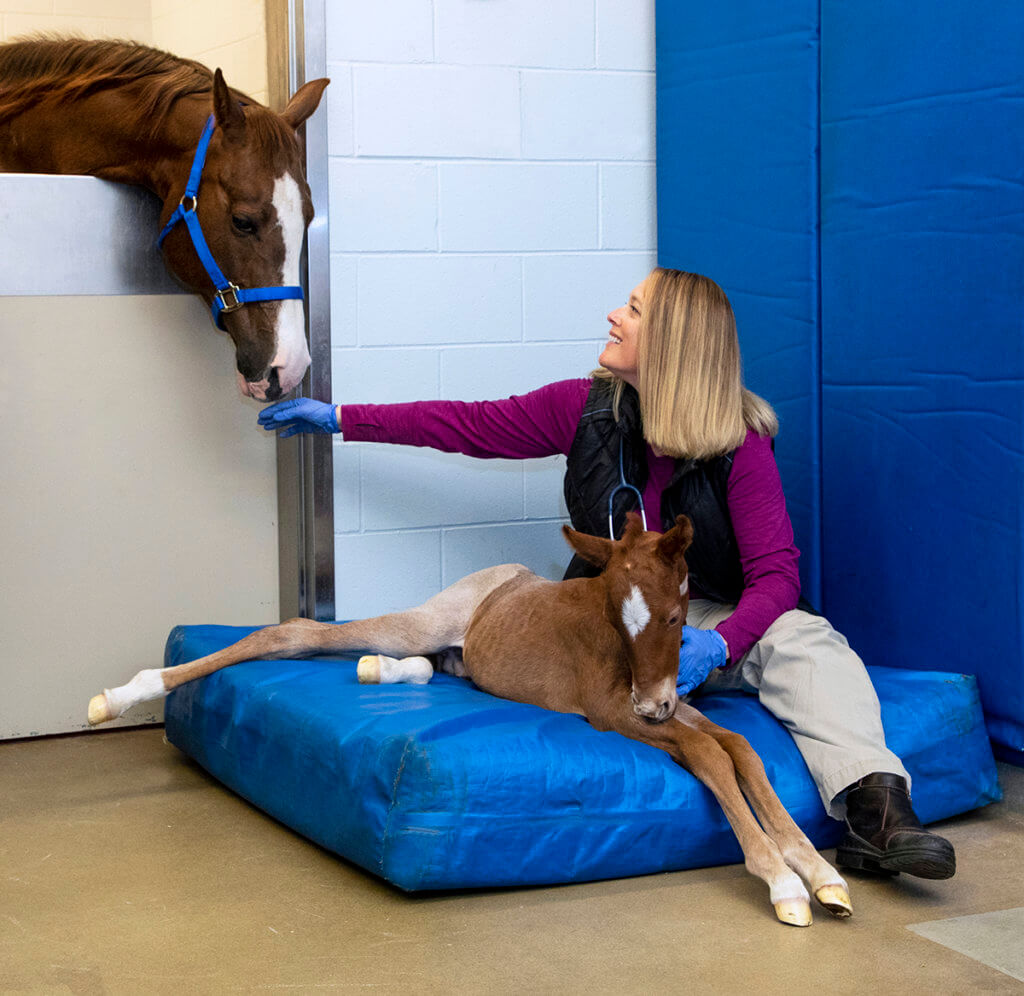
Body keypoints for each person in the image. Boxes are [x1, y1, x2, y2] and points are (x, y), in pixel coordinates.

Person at [258, 267, 956, 881]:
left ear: (675, 344)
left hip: (706, 619)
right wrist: (341, 418)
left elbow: (776, 574)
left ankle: (879, 810)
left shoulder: (741, 442)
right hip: (614, 622)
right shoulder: (583, 409)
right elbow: (468, 423)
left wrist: (721, 643)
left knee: (809, 642)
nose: (614, 316)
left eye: (633, 308)